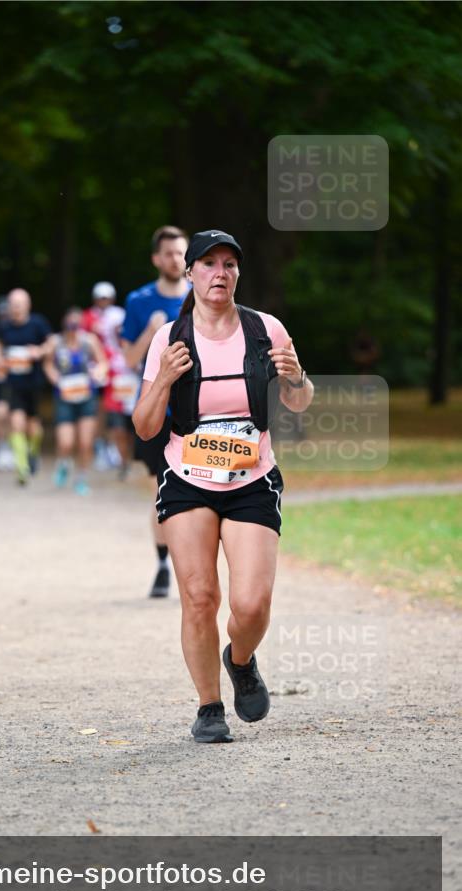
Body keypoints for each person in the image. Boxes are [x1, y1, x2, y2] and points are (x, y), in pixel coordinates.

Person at [133, 230, 313, 744]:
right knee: (198, 595)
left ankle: (240, 658)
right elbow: (145, 427)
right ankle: (209, 707)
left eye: (229, 264)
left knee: (251, 604)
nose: (220, 272)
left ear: (238, 274)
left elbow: (298, 403)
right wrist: (164, 379)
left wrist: (297, 377)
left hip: (252, 478)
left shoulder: (265, 329)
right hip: (188, 478)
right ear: (189, 274)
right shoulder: (169, 338)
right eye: (208, 263)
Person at [121, 226, 189, 597]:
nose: (175, 260)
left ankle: (190, 566)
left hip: (196, 414)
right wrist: (150, 333)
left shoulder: (203, 296)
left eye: (181, 253)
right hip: (154, 411)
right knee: (163, 492)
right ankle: (164, 564)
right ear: (156, 259)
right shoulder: (138, 301)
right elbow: (129, 358)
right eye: (168, 253)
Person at [0, 288, 51, 484]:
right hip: (13, 385)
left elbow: (52, 343)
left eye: (19, 304)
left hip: (33, 384)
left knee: (33, 428)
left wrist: (39, 351)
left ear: (27, 306)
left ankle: (32, 452)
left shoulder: (38, 324)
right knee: (16, 423)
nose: (16, 308)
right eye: (13, 304)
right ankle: (21, 467)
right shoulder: (3, 327)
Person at [43, 308, 108, 496]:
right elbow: (48, 364)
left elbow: (103, 362)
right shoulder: (56, 342)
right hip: (64, 397)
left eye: (76, 325)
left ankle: (81, 477)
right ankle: (63, 463)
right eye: (69, 325)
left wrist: (99, 372)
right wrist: (54, 377)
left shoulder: (89, 341)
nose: (73, 329)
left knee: (86, 442)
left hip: (86, 396)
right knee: (65, 442)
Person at [81, 282, 133, 477]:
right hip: (96, 371)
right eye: (100, 298)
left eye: (106, 297)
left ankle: (119, 452)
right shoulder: (87, 317)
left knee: (119, 413)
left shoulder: (119, 314)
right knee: (100, 410)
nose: (103, 301)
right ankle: (101, 446)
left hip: (120, 372)